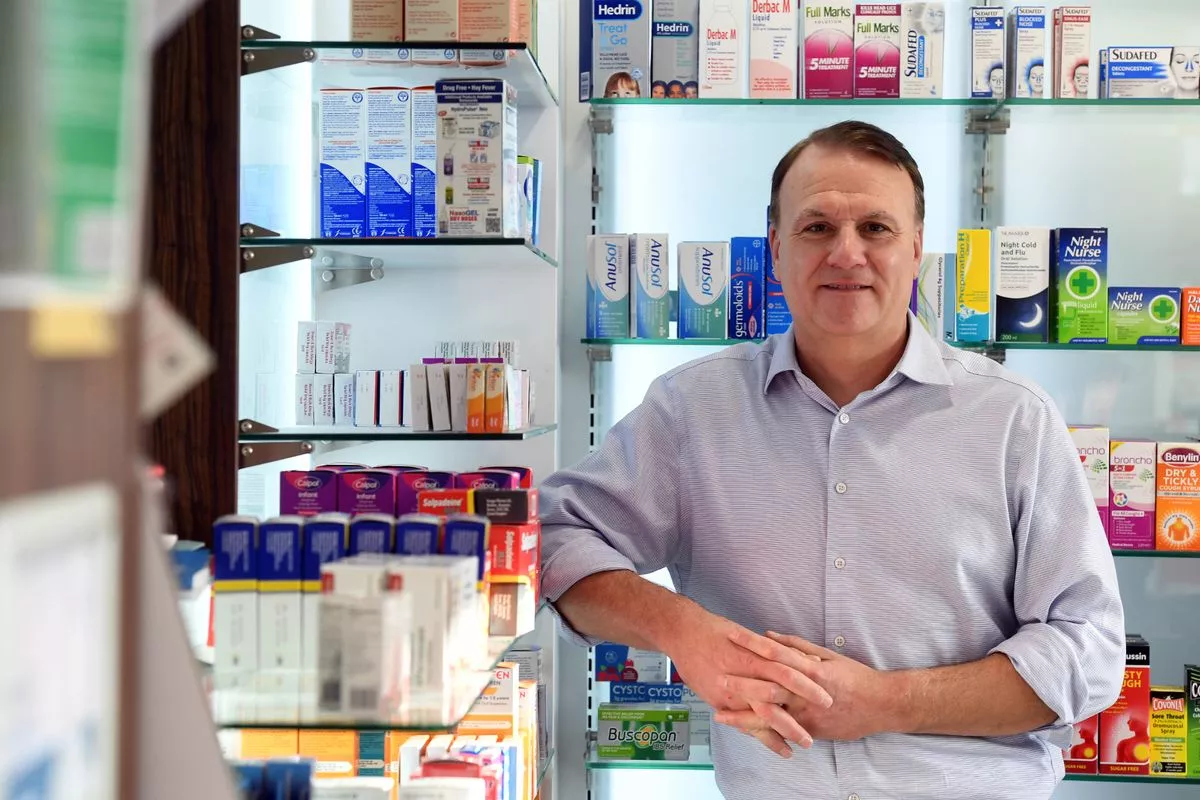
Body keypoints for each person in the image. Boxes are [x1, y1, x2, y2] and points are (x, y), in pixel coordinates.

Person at [538, 120, 1125, 799]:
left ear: (916, 249)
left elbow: (1089, 649)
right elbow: (552, 536)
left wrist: (888, 702)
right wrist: (683, 631)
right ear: (776, 249)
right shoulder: (691, 411)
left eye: (876, 228)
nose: (847, 253)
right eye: (817, 227)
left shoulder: (1013, 419)